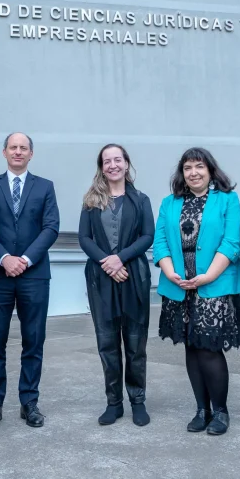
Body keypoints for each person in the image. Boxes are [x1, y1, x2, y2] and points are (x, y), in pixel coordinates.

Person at [154, 147, 240, 436]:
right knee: (191, 348)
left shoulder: (228, 200)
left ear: (210, 170)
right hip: (179, 287)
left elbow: (232, 242)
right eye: (187, 168)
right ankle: (201, 410)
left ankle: (220, 411)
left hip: (214, 286)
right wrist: (170, 272)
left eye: (199, 167)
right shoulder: (169, 203)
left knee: (209, 348)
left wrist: (207, 276)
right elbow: (160, 242)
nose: (193, 173)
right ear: (181, 173)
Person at [0, 132, 60, 430]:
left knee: (33, 340)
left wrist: (24, 259)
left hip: (34, 275)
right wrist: (4, 258)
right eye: (13, 147)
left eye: (23, 148)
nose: (18, 152)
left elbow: (51, 227)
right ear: (4, 152)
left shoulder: (45, 186)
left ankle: (29, 402)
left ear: (31, 154)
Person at [78, 144, 154, 426]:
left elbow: (147, 236)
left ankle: (138, 401)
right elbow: (84, 238)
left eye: (117, 160)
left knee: (135, 342)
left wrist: (120, 258)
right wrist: (107, 262)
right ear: (102, 167)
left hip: (133, 276)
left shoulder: (141, 200)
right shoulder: (91, 200)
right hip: (101, 279)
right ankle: (114, 403)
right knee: (107, 342)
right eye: (107, 161)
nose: (113, 165)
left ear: (126, 163)